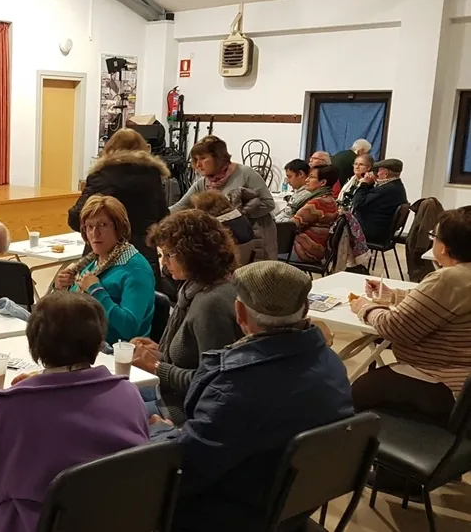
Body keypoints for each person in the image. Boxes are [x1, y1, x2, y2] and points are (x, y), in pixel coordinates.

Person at [0, 291, 149, 532]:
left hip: (40, 523)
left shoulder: (6, 412)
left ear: (34, 345)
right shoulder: (128, 393)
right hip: (115, 518)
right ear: (99, 342)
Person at [149, 261, 354, 532]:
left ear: (240, 313)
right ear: (305, 309)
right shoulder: (332, 364)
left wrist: (164, 436)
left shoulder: (234, 386)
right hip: (294, 505)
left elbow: (183, 472)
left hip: (235, 512)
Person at [350, 206, 471, 428]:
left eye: (433, 236)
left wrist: (365, 308)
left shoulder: (448, 279)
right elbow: (443, 304)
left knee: (355, 392)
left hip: (443, 381)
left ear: (444, 247)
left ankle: (370, 454)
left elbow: (393, 328)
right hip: (462, 381)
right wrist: (394, 295)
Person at [131, 209, 242, 424]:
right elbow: (191, 360)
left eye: (167, 255)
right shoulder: (197, 289)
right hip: (173, 394)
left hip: (183, 410)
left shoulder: (211, 304)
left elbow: (212, 383)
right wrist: (158, 354)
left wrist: (156, 367)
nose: (163, 262)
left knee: (106, 409)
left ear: (191, 254)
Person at [67, 128, 170, 273]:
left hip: (105, 254)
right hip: (143, 254)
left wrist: (94, 231)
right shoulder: (153, 177)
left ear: (109, 147)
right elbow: (163, 217)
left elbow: (76, 217)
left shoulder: (101, 175)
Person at [56, 195, 155, 344]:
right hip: (81, 342)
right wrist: (60, 287)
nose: (95, 233)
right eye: (89, 227)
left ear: (119, 227)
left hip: (114, 352)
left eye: (103, 225)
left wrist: (96, 291)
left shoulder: (136, 269)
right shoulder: (93, 261)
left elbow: (129, 327)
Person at [171, 136, 277, 260]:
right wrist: (157, 215)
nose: (198, 164)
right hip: (228, 239)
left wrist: (240, 214)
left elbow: (268, 203)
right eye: (195, 159)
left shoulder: (246, 174)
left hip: (255, 238)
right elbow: (180, 206)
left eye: (203, 158)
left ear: (219, 158)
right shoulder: (203, 182)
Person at [289, 164, 340, 263]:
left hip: (305, 251)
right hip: (317, 250)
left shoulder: (318, 203)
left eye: (311, 177)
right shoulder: (330, 199)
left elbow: (291, 225)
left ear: (323, 182)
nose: (306, 180)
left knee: (262, 250)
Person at [351, 158, 408, 244]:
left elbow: (358, 204)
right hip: (383, 230)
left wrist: (364, 184)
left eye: (379, 171)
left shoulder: (386, 189)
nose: (377, 174)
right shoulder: (397, 186)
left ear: (386, 173)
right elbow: (368, 200)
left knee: (336, 227)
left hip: (373, 232)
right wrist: (370, 185)